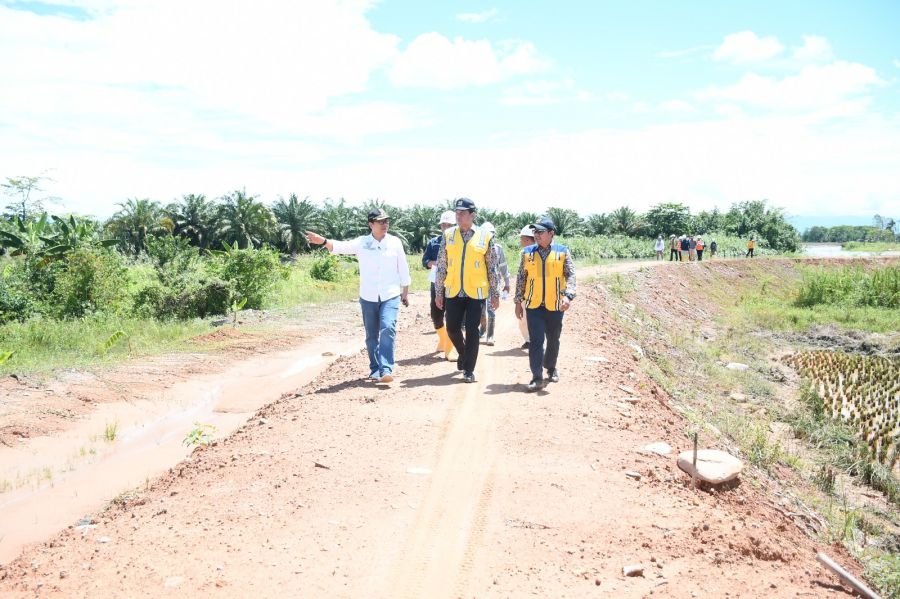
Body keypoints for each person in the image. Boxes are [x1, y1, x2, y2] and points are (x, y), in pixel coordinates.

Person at [305, 209, 410, 383]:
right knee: (371, 336)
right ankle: (375, 369)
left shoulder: (395, 242)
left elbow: (403, 267)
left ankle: (386, 369)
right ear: (371, 224)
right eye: (380, 221)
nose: (385, 224)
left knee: (388, 328)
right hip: (368, 296)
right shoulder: (362, 242)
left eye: (386, 221)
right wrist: (323, 241)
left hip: (390, 294)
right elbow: (341, 246)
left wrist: (405, 291)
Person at [434, 198, 501, 384]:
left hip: (476, 291)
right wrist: (439, 291)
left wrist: (495, 293)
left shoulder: (485, 236)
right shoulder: (448, 235)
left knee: (472, 330)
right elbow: (441, 265)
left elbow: (492, 267)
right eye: (457, 212)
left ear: (472, 215)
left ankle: (468, 370)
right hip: (453, 290)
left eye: (462, 212)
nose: (458, 215)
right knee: (452, 328)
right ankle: (463, 353)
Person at [514, 217, 576, 392]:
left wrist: (568, 296)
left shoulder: (562, 252)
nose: (537, 235)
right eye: (535, 232)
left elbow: (571, 275)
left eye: (540, 232)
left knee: (553, 339)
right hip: (533, 305)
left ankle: (551, 367)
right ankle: (537, 377)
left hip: (555, 305)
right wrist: (518, 301)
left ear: (551, 233)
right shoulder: (527, 253)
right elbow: (521, 278)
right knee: (536, 341)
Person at [422, 210, 457, 360]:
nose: (446, 227)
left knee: (452, 315)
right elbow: (425, 261)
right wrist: (435, 263)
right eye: (443, 225)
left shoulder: (460, 242)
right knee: (436, 314)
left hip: (454, 282)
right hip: (436, 282)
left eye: (449, 225)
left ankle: (450, 349)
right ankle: (442, 339)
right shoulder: (433, 242)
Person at [479, 222, 510, 346]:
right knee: (481, 310)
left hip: (494, 283)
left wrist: (507, 282)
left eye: (491, 235)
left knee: (491, 309)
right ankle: (482, 329)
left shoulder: (498, 249)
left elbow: (503, 266)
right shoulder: (477, 248)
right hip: (479, 283)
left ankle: (490, 336)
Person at [518, 225, 536, 348]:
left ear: (528, 240)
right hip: (526, 291)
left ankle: (536, 341)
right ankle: (529, 340)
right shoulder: (524, 253)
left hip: (537, 292)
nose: (520, 242)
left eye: (522, 239)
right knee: (523, 318)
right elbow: (521, 275)